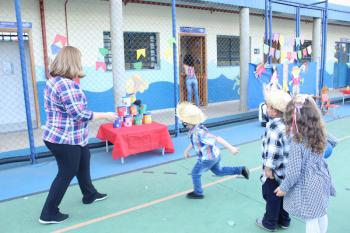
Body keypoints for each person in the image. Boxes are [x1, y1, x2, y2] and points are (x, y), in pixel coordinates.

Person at [39, 46, 118, 224]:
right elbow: (79, 114)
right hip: (64, 138)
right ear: (73, 62)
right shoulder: (67, 85)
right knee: (67, 171)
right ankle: (49, 212)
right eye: (79, 60)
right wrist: (105, 115)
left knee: (83, 159)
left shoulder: (54, 81)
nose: (81, 64)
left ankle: (89, 194)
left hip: (68, 135)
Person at [274, 94, 336, 233]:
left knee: (311, 219)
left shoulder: (297, 143)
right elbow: (334, 142)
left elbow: (294, 172)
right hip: (322, 179)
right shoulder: (319, 134)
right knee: (321, 212)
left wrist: (283, 188)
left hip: (308, 185)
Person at [177, 102, 249, 199]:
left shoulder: (199, 132)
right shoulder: (195, 129)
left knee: (195, 173)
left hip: (208, 158)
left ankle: (198, 193)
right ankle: (241, 170)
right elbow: (194, 142)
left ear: (188, 122)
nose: (182, 122)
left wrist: (231, 148)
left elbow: (217, 138)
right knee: (219, 171)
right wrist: (187, 150)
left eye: (183, 120)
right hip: (215, 155)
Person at [256, 89, 292, 231]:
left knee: (271, 195)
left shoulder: (274, 127)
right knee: (285, 194)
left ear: (275, 111)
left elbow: (273, 149)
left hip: (275, 171)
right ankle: (284, 220)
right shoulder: (288, 124)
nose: (265, 107)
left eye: (268, 105)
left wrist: (268, 168)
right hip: (288, 169)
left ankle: (269, 222)